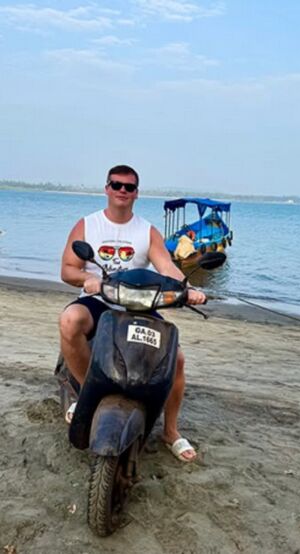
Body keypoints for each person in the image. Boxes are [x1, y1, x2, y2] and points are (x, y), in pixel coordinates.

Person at [59, 164, 206, 462]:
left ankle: (170, 431)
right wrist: (87, 279)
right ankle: (87, 393)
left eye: (129, 187)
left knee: (176, 359)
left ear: (136, 193)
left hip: (138, 305)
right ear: (107, 188)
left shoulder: (146, 231)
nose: (122, 191)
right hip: (99, 301)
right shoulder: (87, 225)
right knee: (70, 320)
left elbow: (166, 267)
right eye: (116, 185)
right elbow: (68, 269)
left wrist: (188, 289)